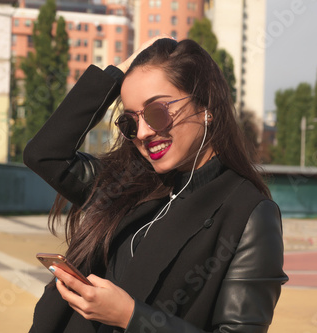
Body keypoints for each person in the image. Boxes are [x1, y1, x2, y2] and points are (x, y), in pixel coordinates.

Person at [23, 36, 288, 333]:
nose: (144, 133)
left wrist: (130, 316)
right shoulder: (126, 186)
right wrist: (122, 71)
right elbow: (44, 155)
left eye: (157, 112)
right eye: (130, 123)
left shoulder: (249, 214)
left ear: (206, 106)